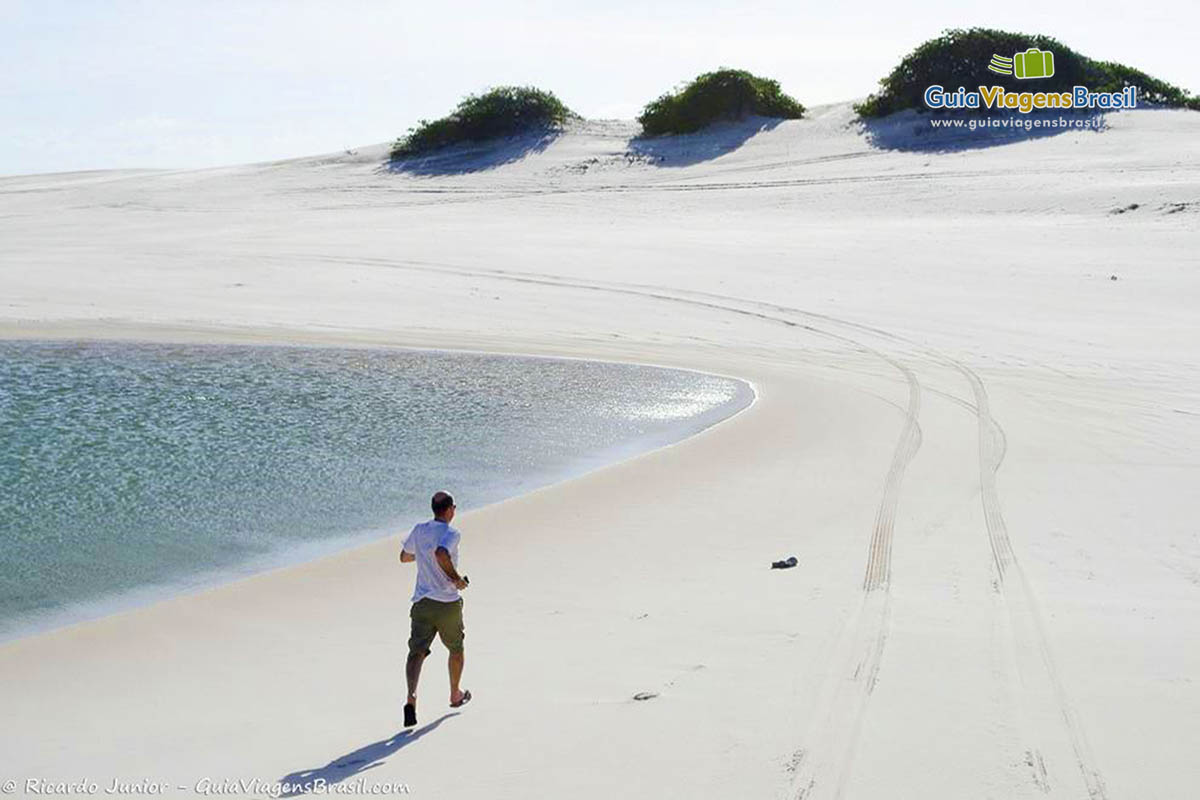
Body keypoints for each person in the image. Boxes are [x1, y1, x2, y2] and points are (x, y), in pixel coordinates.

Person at [399, 490, 471, 728]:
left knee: (416, 652)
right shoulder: (451, 533)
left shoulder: (419, 530)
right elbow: (441, 553)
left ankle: (411, 697)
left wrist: (422, 556)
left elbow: (404, 557)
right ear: (450, 509)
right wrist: (457, 579)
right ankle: (455, 694)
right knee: (456, 648)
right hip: (447, 602)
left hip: (422, 602)